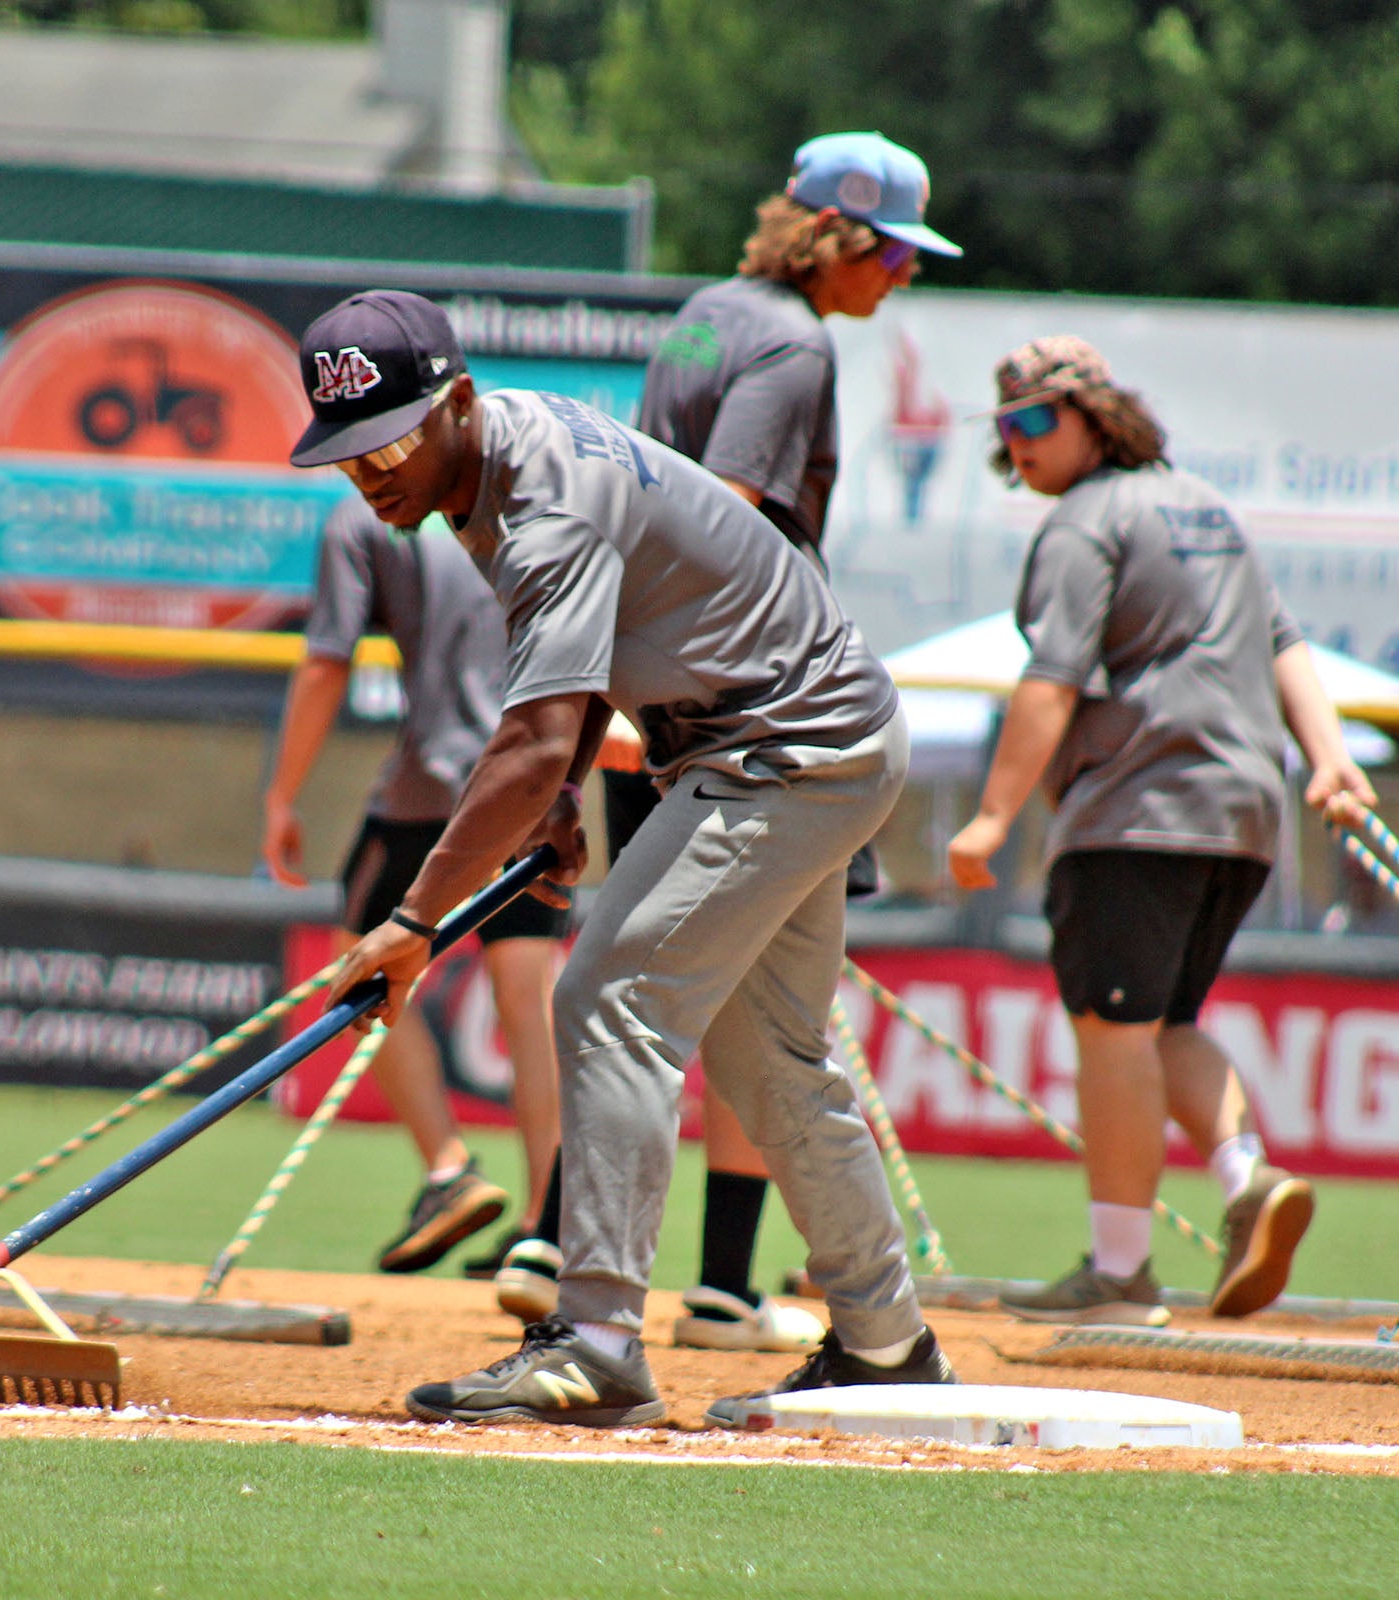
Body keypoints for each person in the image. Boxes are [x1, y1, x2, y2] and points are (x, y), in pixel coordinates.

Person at [294, 289, 952, 1428]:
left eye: (390, 439)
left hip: (784, 743)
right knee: (771, 1057)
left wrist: (413, 923)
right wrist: (562, 805)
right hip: (784, 733)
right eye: (349, 452)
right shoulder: (498, 457)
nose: (372, 471)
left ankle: (595, 1341)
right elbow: (586, 666)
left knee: (608, 996)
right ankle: (888, 1342)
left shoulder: (533, 500)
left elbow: (533, 731)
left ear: (455, 403)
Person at [613, 129, 962, 1355]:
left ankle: (584, 1262)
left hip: (671, 709)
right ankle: (671, 1294)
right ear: (847, 240)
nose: (905, 277)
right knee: (735, 1019)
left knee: (647, 996)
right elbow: (728, 519)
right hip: (763, 724)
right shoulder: (798, 341)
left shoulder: (708, 312)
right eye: (900, 252)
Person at [945, 336, 1376, 1325]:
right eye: (1007, 430)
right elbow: (1285, 643)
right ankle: (1244, 1179)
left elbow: (1051, 682)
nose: (1019, 446)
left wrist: (993, 818)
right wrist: (1331, 758)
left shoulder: (1085, 522)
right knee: (1161, 1024)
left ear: (1098, 417)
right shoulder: (1207, 508)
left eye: (1036, 421)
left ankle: (1120, 1270)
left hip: (1138, 807)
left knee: (1111, 1035)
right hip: (1244, 812)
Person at [261, 491, 567, 1278]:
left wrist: (282, 794)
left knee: (354, 960)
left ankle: (446, 1170)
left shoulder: (362, 515)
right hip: (534, 786)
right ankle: (548, 1227)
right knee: (528, 995)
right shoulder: (532, 501)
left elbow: (328, 658)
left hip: (431, 790)